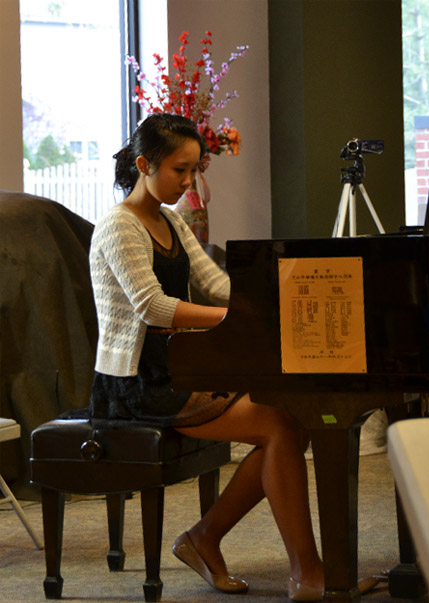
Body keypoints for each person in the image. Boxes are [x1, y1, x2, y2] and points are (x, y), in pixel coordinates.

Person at [89, 113, 324, 601]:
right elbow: (152, 307)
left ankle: (208, 540)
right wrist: (237, 319)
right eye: (180, 169)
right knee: (280, 426)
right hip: (136, 381)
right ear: (144, 165)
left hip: (178, 366)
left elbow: (215, 284)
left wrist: (276, 300)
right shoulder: (118, 224)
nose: (189, 181)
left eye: (194, 169)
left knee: (290, 424)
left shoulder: (171, 219)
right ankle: (304, 571)